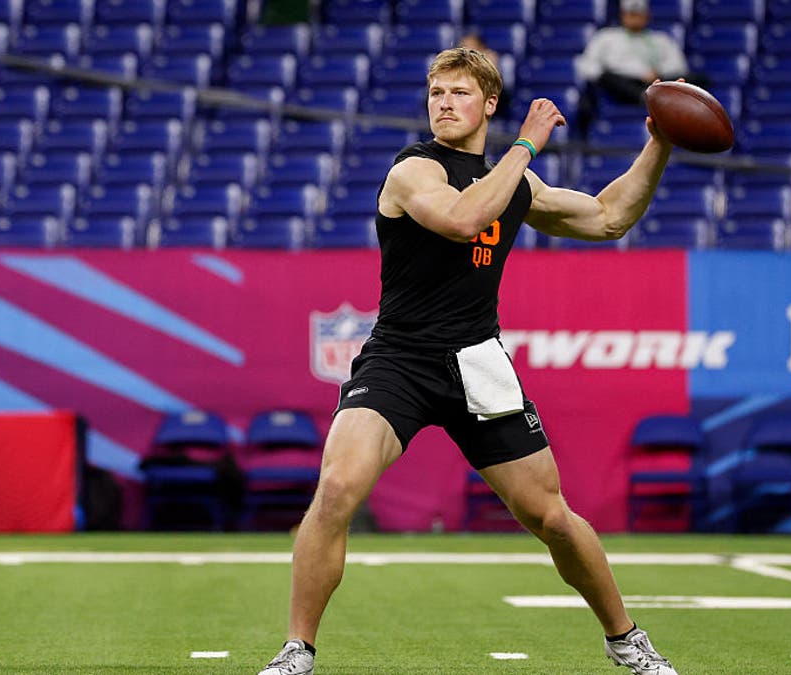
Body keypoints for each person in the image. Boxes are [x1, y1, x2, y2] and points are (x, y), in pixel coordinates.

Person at [259, 47, 678, 675]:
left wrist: (660, 144)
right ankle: (297, 652)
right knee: (338, 488)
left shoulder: (515, 181)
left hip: (478, 361)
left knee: (551, 516)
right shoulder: (413, 170)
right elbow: (460, 219)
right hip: (399, 357)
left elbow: (609, 216)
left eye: (458, 92)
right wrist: (527, 144)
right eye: (435, 93)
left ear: (488, 104)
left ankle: (627, 640)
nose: (444, 103)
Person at [575, 0, 689, 107]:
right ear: (622, 14)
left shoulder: (661, 39)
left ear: (647, 15)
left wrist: (658, 72)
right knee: (607, 78)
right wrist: (635, 73)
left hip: (657, 81)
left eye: (638, 14)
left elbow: (679, 65)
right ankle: (645, 97)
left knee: (696, 80)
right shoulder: (606, 37)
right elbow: (586, 65)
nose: (634, 18)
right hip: (622, 85)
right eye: (631, 13)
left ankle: (652, 96)